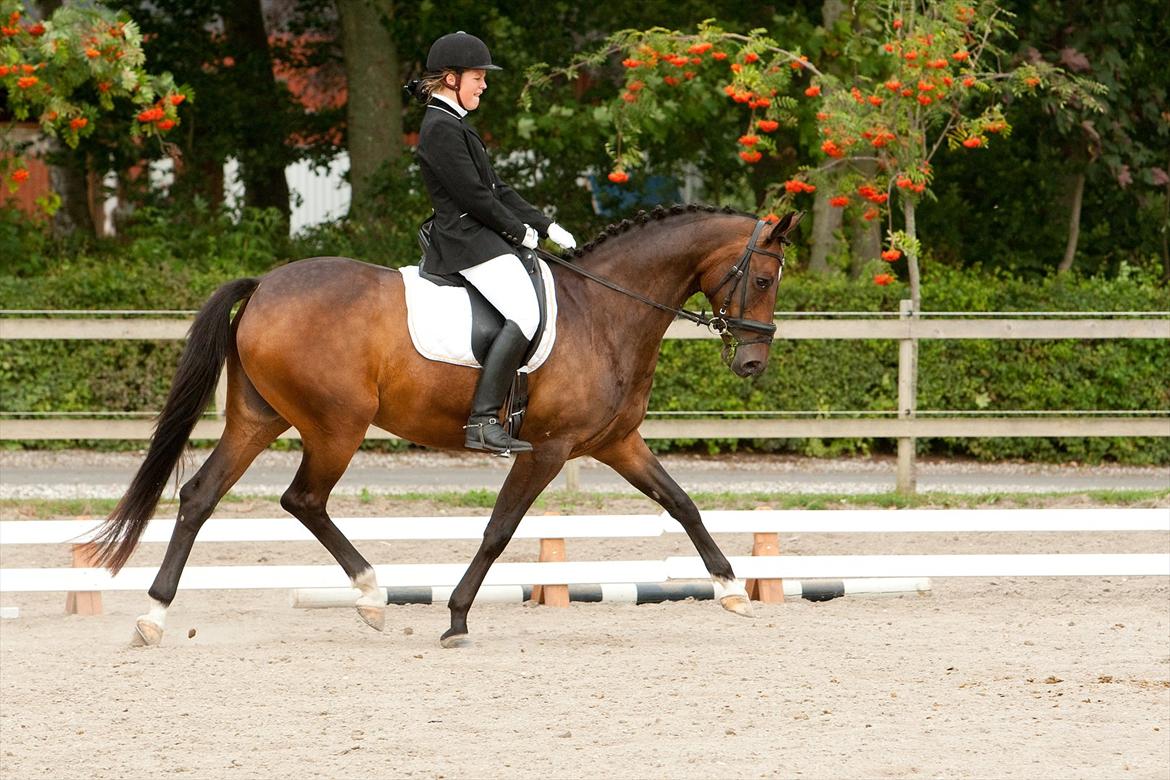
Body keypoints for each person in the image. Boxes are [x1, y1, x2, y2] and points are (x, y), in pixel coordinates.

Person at [406, 32, 577, 454]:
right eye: (478, 77)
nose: (484, 85)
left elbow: (497, 189)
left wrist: (547, 225)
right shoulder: (440, 128)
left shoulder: (455, 124)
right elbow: (474, 198)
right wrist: (520, 233)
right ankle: (483, 420)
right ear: (451, 78)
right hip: (464, 240)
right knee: (525, 313)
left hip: (479, 235)